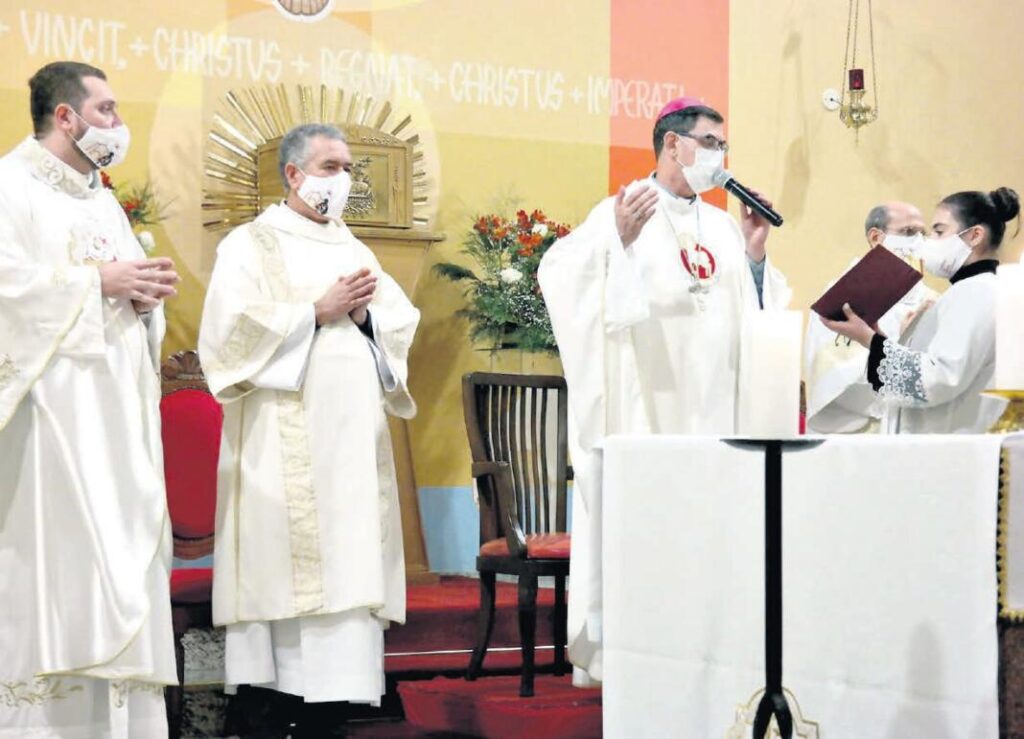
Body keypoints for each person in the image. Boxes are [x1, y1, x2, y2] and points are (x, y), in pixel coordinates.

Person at [537, 96, 790, 686]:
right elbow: (564, 279)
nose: (719, 156)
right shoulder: (621, 209)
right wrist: (618, 244)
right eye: (710, 143)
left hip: (716, 414)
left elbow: (758, 316)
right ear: (671, 145)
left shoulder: (727, 226)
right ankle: (639, 660)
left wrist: (754, 256)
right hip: (649, 410)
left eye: (724, 146)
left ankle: (712, 651)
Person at [198, 123, 419, 724]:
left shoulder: (354, 248)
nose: (342, 180)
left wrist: (369, 319)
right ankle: (268, 713)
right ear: (293, 174)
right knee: (285, 580)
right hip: (283, 443)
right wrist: (313, 313)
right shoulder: (251, 244)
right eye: (329, 167)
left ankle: (330, 716)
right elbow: (226, 335)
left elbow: (397, 322)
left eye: (348, 168)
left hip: (351, 442)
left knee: (348, 575)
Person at [0, 61, 180, 737]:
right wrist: (95, 281)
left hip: (112, 421)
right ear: (64, 116)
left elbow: (116, 289)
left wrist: (140, 295)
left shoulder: (100, 198)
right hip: (48, 425)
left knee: (119, 566)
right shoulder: (7, 187)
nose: (117, 124)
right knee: (55, 567)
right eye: (105, 110)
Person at [823, 187, 1020, 433]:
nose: (928, 242)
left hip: (948, 448)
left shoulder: (976, 292)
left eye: (938, 231)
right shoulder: (967, 292)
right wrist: (879, 338)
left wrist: (870, 340)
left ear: (974, 236)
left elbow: (940, 378)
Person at [804, 201, 938, 433]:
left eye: (922, 233)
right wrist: (894, 344)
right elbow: (833, 379)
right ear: (876, 237)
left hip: (914, 431)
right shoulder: (841, 297)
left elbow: (939, 376)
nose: (919, 242)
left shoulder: (933, 301)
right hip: (856, 435)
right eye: (908, 232)